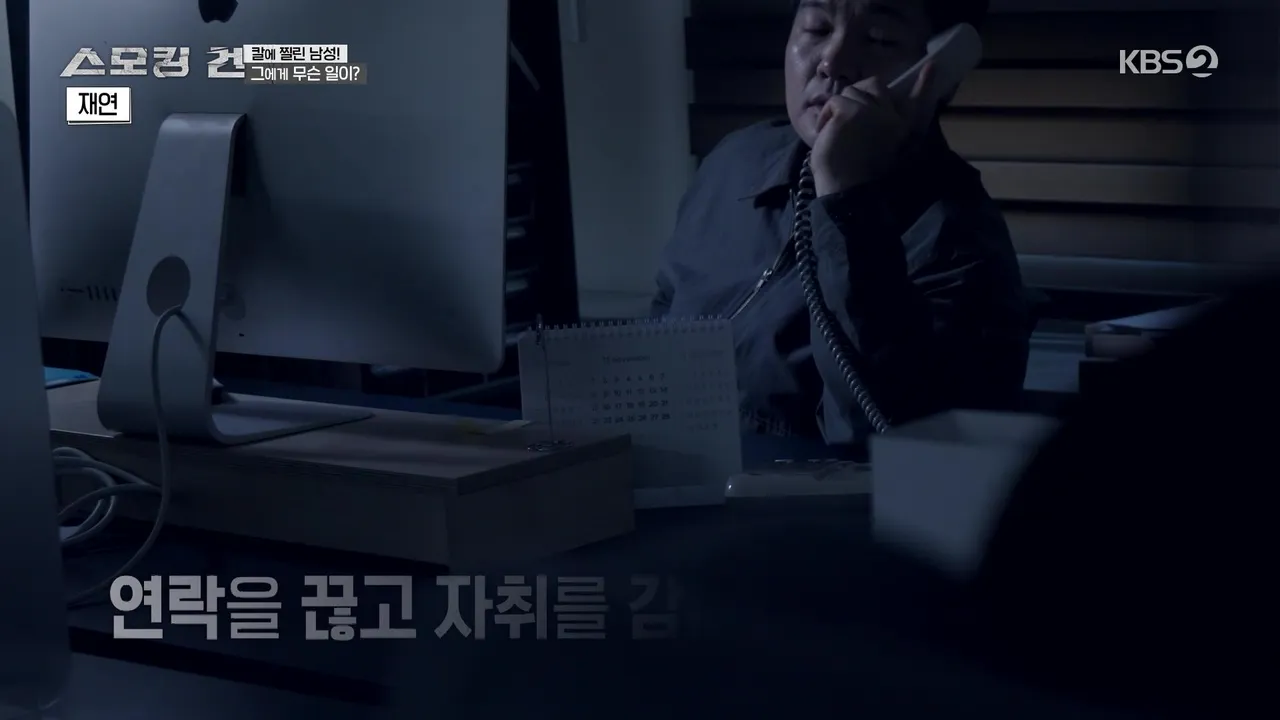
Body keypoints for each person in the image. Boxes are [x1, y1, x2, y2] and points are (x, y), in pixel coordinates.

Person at [651, 0, 1029, 444]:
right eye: (816, 28)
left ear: (939, 70)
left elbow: (883, 437)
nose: (832, 63)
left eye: (879, 39)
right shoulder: (735, 163)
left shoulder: (961, 244)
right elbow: (665, 310)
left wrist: (847, 199)